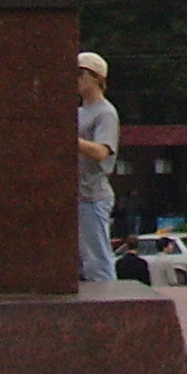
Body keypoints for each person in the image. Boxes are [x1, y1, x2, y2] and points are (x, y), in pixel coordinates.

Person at [75, 52, 120, 282]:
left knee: (98, 261)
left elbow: (102, 152)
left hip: (93, 196)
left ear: (96, 77)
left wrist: (69, 139)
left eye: (80, 73)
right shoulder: (78, 113)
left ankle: (109, 305)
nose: (75, 79)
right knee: (83, 262)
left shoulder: (106, 113)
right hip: (77, 195)